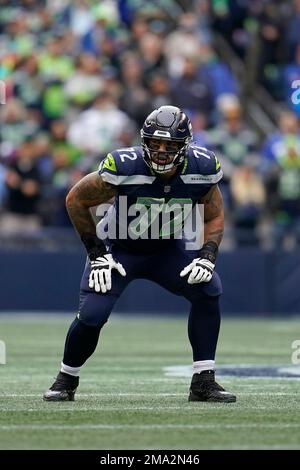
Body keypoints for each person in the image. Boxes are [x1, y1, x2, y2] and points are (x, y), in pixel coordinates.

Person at [43, 105, 236, 403]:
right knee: (93, 315)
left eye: (169, 145)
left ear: (185, 146)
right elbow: (75, 200)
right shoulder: (126, 165)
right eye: (154, 143)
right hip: (118, 250)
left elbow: (214, 214)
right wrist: (96, 253)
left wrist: (207, 255)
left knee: (209, 289)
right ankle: (65, 379)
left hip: (166, 250)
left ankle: (203, 380)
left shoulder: (202, 167)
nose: (160, 151)